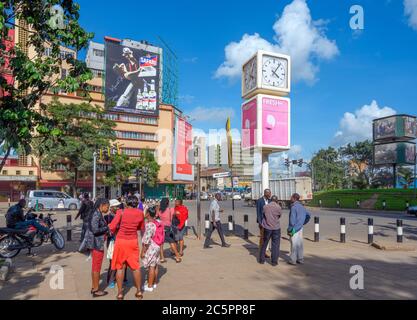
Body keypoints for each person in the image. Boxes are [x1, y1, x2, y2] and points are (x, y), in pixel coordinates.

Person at [109, 195, 145, 300]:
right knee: (135, 267)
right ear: (136, 204)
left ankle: (120, 293)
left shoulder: (121, 212)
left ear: (127, 203)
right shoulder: (140, 213)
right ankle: (139, 291)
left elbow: (112, 226)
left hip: (121, 241)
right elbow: (141, 227)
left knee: (120, 267)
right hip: (133, 241)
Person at [85, 198, 110, 298]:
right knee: (97, 267)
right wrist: (107, 227)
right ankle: (96, 290)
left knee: (95, 266)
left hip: (95, 243)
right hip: (96, 244)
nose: (107, 209)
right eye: (107, 207)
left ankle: (94, 287)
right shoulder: (96, 214)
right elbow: (95, 230)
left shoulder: (97, 213)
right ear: (102, 205)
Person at [104, 199, 127, 289]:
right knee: (112, 261)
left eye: (118, 206)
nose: (117, 208)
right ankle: (111, 280)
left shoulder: (122, 215)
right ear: (111, 207)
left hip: (121, 240)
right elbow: (106, 231)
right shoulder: (107, 217)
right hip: (112, 241)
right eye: (115, 206)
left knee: (123, 261)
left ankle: (123, 279)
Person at [141, 206, 164, 292]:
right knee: (155, 265)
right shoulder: (157, 222)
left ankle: (149, 286)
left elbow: (146, 240)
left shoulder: (149, 225)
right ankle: (154, 283)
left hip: (151, 247)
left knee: (151, 266)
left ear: (147, 214)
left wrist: (143, 251)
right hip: (157, 246)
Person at [259, 196, 282, 266]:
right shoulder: (278, 207)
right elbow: (279, 216)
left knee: (264, 243)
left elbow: (263, 215)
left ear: (270, 200)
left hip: (267, 227)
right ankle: (274, 262)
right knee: (275, 245)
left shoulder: (265, 207)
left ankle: (262, 260)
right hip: (276, 228)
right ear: (276, 200)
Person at [157, 197, 181, 263]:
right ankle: (177, 257)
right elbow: (177, 213)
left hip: (160, 228)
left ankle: (162, 258)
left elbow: (156, 216)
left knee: (161, 243)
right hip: (167, 228)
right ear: (168, 203)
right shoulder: (170, 209)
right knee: (171, 242)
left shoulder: (160, 210)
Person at [287, 193, 309, 265]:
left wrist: (290, 229)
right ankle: (300, 259)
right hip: (300, 227)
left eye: (291, 197)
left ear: (294, 198)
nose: (290, 199)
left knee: (293, 244)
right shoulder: (302, 207)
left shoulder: (293, 207)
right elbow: (308, 215)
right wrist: (303, 223)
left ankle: (293, 260)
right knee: (300, 243)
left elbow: (292, 220)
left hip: (294, 228)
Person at [256, 189, 271, 258]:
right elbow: (258, 212)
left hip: (269, 223)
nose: (270, 195)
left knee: (267, 237)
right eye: (269, 194)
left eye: (270, 194)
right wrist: (259, 222)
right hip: (262, 222)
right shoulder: (259, 201)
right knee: (262, 237)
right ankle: (262, 252)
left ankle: (265, 250)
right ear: (265, 193)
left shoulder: (270, 201)